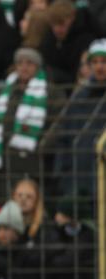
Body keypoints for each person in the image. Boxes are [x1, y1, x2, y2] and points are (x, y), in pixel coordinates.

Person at [0, 47, 58, 200]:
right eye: (20, 63)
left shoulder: (50, 92)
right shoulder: (4, 92)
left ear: (38, 67)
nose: (24, 67)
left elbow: (58, 123)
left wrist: (42, 147)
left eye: (29, 63)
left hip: (31, 165)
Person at [54, 39, 106, 202]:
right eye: (95, 62)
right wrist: (62, 174)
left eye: (104, 62)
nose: (99, 67)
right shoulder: (79, 96)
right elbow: (65, 136)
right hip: (80, 178)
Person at [40, 0, 99, 85]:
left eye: (61, 23)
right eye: (53, 24)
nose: (56, 29)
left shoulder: (86, 40)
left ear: (72, 18)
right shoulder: (49, 39)